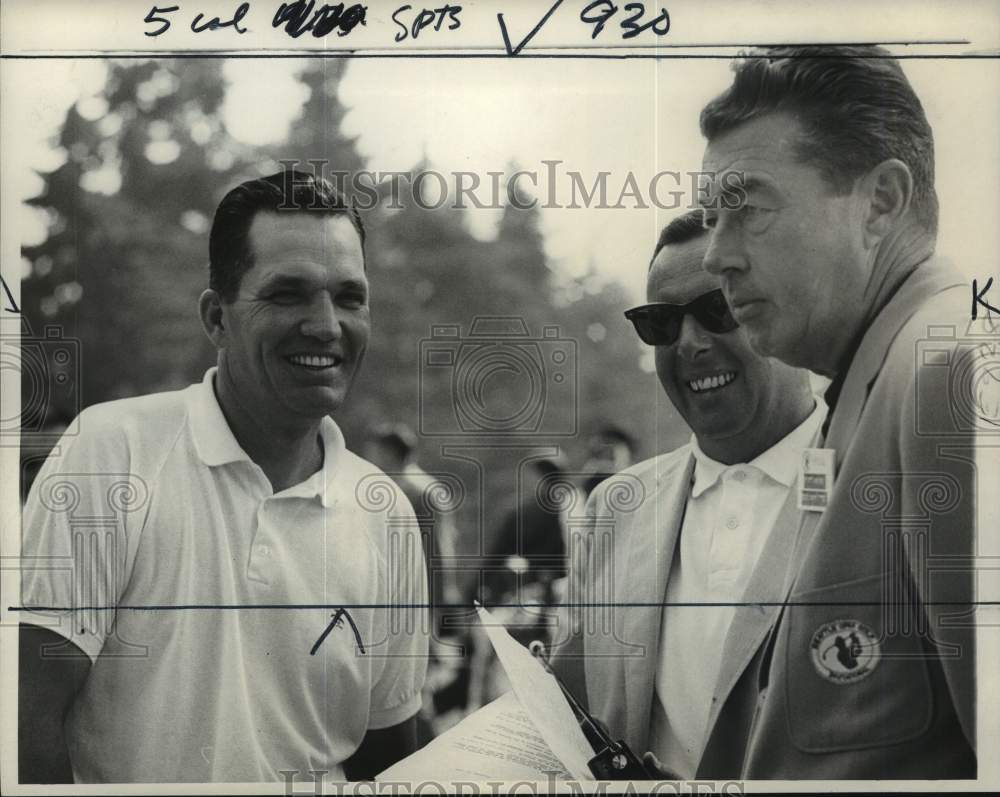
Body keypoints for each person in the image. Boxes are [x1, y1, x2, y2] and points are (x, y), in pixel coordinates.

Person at [18, 171, 428, 784]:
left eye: (349, 297)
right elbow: (26, 723)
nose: (325, 325)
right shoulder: (112, 452)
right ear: (216, 318)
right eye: (287, 294)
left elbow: (388, 757)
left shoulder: (384, 511)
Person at [697, 45, 976, 777]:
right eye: (711, 218)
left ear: (879, 202)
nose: (715, 256)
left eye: (747, 210)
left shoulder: (955, 373)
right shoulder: (869, 384)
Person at [552, 210, 824, 779]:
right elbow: (573, 715)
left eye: (719, 308)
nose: (690, 343)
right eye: (661, 323)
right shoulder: (615, 509)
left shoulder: (880, 488)